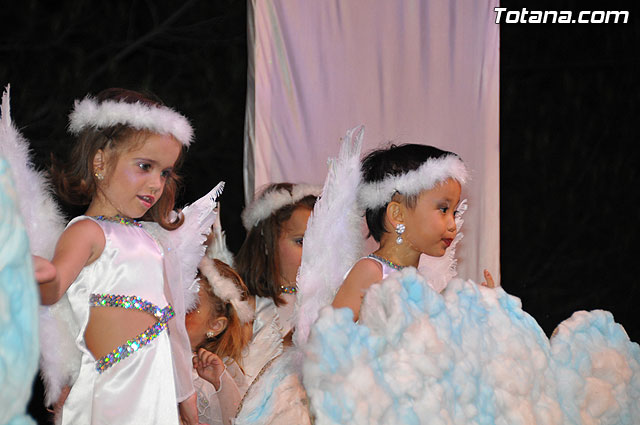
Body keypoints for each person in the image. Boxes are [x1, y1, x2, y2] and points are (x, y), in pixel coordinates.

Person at [36, 88, 200, 424]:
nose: (156, 184)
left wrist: (186, 400)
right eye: (145, 166)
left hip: (154, 392)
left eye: (164, 173)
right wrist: (41, 273)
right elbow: (52, 290)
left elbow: (172, 328)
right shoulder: (88, 231)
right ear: (100, 162)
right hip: (110, 396)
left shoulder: (152, 242)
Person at [332, 143, 494, 321]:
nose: (452, 225)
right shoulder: (370, 272)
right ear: (398, 214)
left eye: (453, 213)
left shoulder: (423, 284)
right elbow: (329, 333)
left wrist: (475, 309)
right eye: (443, 209)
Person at [235, 183, 320, 343]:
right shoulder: (246, 309)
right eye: (301, 241)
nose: (314, 250)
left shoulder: (333, 300)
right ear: (267, 243)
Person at [186, 257, 254, 425]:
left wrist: (221, 384)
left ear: (215, 325)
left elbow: (237, 419)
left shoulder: (212, 377)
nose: (179, 309)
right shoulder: (150, 354)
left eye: (191, 304)